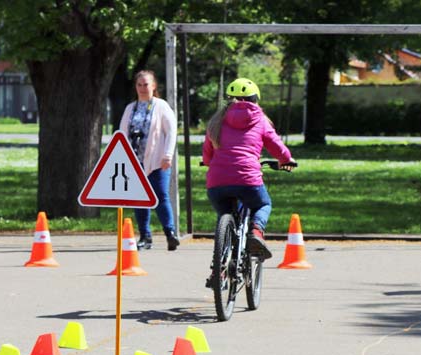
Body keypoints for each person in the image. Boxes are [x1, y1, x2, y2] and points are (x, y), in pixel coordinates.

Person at [202, 77, 295, 260]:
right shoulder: (260, 120)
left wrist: (207, 162)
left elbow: (207, 153)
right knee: (263, 204)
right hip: (248, 179)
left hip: (217, 181)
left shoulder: (216, 121)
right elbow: (276, 145)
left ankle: (219, 266)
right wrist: (286, 159)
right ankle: (256, 231)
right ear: (255, 99)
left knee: (224, 215)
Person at [120, 70, 179, 251]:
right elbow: (122, 133)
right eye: (139, 85)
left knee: (161, 195)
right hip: (135, 162)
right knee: (139, 198)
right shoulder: (130, 108)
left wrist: (167, 155)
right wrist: (123, 158)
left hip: (158, 161)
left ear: (153, 86)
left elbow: (171, 132)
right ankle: (145, 236)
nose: (142, 88)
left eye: (146, 84)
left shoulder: (161, 106)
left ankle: (170, 233)